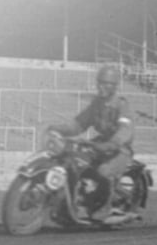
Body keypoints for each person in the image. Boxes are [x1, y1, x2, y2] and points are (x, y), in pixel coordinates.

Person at [47, 65, 138, 225]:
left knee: (103, 172)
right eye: (100, 82)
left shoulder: (121, 105)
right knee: (74, 163)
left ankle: (105, 209)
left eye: (106, 83)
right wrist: (58, 128)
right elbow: (79, 124)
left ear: (114, 86)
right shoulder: (96, 104)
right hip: (100, 144)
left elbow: (125, 130)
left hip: (120, 149)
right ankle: (71, 204)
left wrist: (112, 143)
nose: (101, 86)